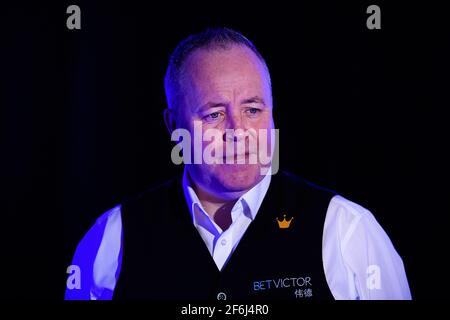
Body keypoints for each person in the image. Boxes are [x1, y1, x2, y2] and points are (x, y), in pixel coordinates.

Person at [65, 27, 411, 300]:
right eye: (214, 114)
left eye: (252, 110)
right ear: (173, 125)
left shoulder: (347, 231)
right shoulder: (112, 239)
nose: (238, 132)